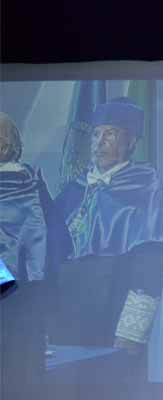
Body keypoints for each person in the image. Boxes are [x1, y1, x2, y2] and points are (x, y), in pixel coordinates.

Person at [53, 98, 163, 363]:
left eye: (110, 134)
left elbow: (153, 266)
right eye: (96, 134)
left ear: (132, 141)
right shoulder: (73, 189)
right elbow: (47, 251)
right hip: (63, 317)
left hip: (112, 319)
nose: (99, 143)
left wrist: (131, 332)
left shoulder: (146, 188)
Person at [0, 112, 70, 399]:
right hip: (28, 303)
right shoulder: (35, 185)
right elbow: (61, 245)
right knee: (25, 375)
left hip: (9, 302)